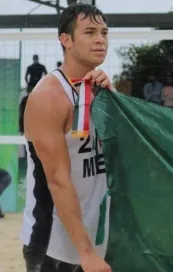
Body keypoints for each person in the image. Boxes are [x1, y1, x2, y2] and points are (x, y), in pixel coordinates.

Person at [21, 4, 113, 272]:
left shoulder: (101, 90)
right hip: (53, 244)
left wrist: (111, 96)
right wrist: (86, 253)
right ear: (66, 40)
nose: (100, 39)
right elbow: (58, 180)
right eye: (90, 32)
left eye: (104, 32)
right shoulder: (48, 96)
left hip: (95, 234)